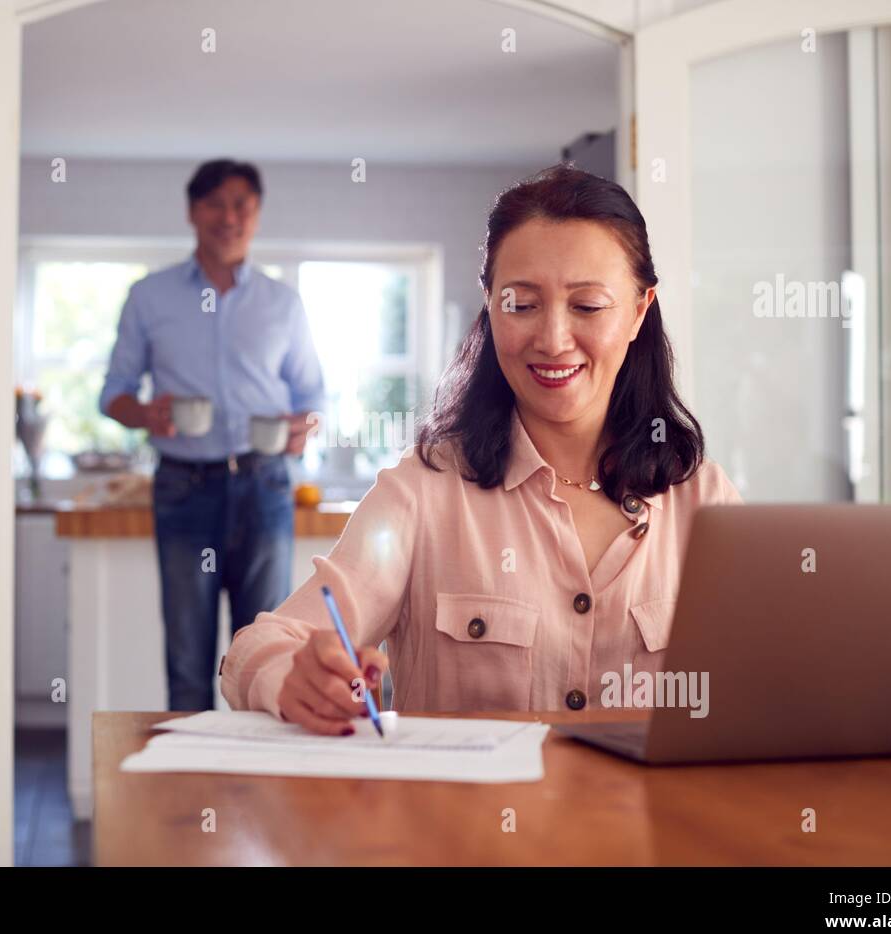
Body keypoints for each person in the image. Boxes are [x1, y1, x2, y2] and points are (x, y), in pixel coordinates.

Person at [220, 163, 741, 734]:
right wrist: (288, 675)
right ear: (491, 306)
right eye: (521, 304)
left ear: (639, 311)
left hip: (654, 824)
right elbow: (260, 645)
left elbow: (770, 685)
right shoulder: (424, 493)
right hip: (463, 825)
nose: (553, 339)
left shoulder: (704, 502)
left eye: (587, 306)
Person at [101, 159, 324, 711]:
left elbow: (312, 397)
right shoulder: (148, 296)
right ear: (192, 211)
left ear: (256, 215)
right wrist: (145, 414)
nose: (229, 217)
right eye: (216, 204)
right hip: (183, 486)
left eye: (242, 205)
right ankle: (192, 795)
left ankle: (260, 793)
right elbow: (113, 394)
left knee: (266, 653)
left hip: (264, 483)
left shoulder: (283, 303)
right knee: (186, 658)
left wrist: (303, 428)